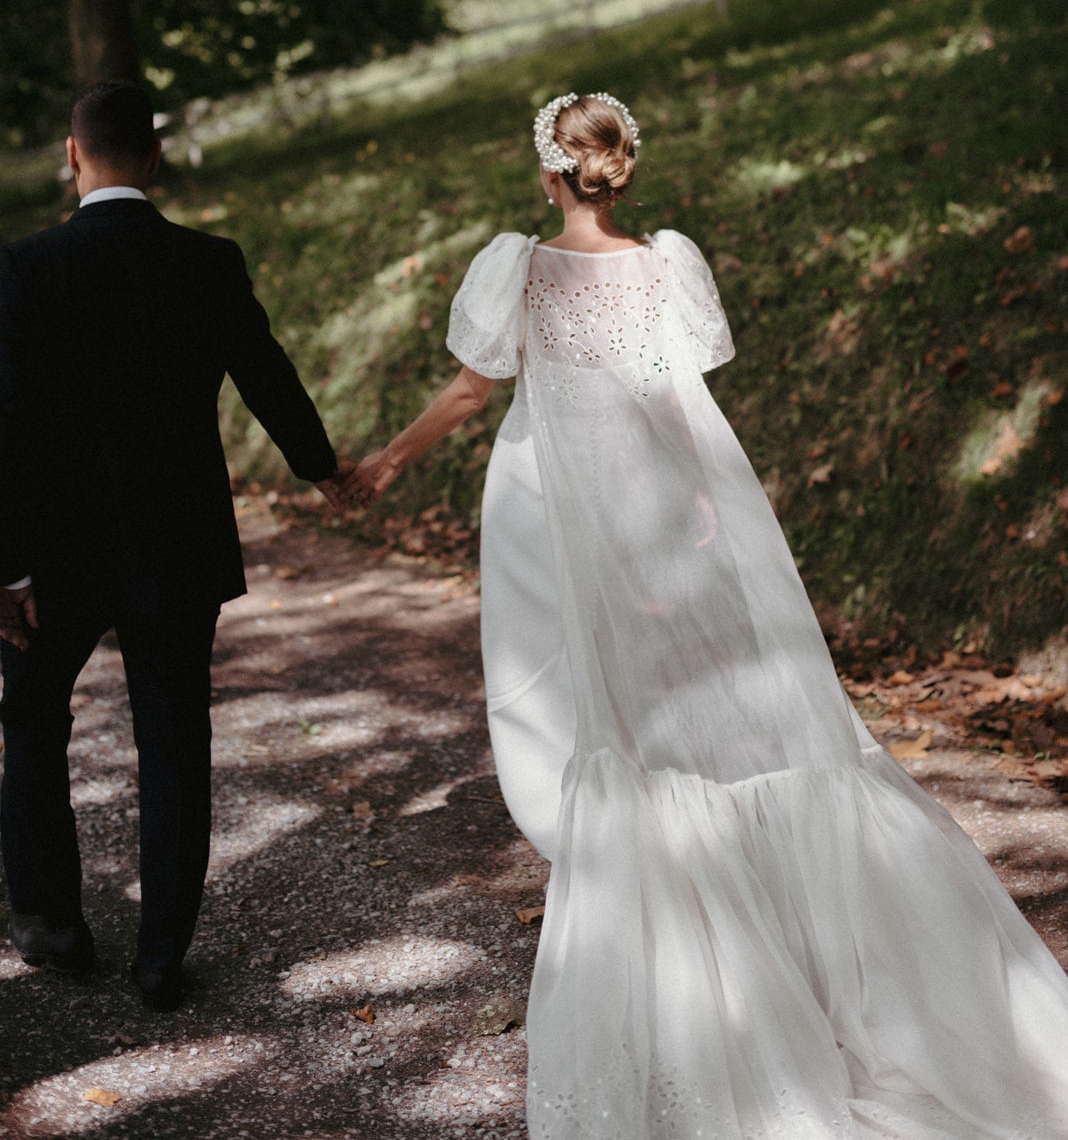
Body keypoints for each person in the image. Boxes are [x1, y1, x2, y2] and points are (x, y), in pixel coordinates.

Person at [350, 90, 1068, 1138]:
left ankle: (682, 938)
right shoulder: (664, 264)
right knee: (704, 720)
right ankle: (789, 939)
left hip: (558, 510)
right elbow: (684, 402)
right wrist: (703, 511)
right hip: (658, 496)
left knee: (606, 718)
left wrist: (381, 463)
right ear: (619, 166)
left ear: (548, 171)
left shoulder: (522, 267)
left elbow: (470, 394)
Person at [0, 81, 351, 1009]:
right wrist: (324, 469)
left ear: (71, 158)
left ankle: (47, 924)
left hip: (53, 559)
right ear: (154, 158)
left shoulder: (21, 270)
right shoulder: (206, 260)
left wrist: (7, 568)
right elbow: (266, 374)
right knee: (172, 738)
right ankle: (160, 958)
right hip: (176, 547)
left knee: (32, 722)